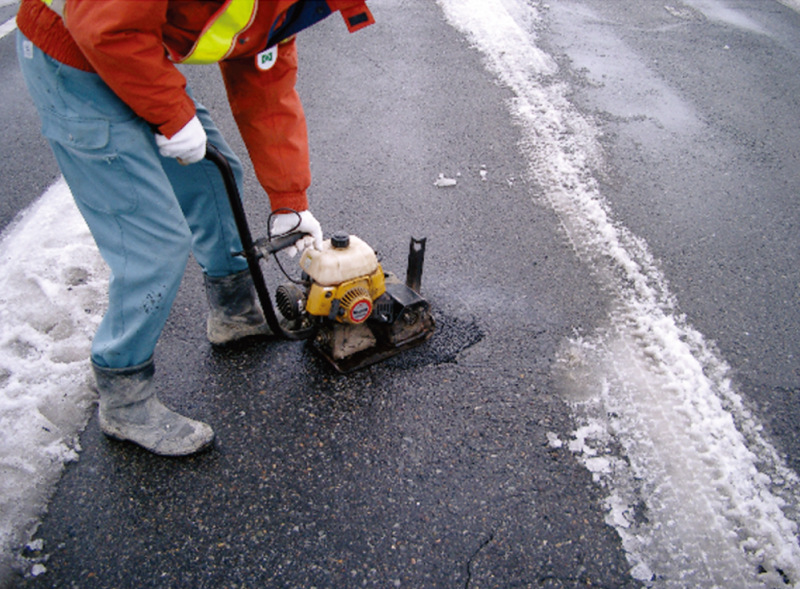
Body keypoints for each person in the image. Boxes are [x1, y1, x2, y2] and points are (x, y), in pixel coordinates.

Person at [15, 0, 375, 456]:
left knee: (214, 176)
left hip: (133, 50)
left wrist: (290, 201)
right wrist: (171, 114)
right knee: (153, 241)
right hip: (73, 56)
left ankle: (236, 313)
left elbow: (266, 88)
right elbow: (106, 28)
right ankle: (124, 395)